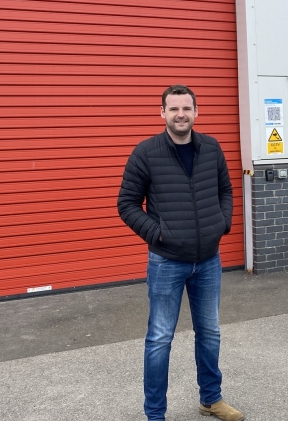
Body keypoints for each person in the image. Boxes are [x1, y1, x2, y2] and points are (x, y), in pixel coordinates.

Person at [118, 84, 243, 421]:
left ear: (196, 111)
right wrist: (158, 234)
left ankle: (211, 399)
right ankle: (155, 414)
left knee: (210, 332)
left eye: (186, 108)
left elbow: (226, 190)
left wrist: (223, 223)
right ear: (162, 113)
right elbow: (127, 205)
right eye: (173, 109)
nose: (180, 114)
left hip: (208, 260)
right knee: (159, 339)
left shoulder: (211, 148)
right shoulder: (146, 153)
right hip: (167, 262)